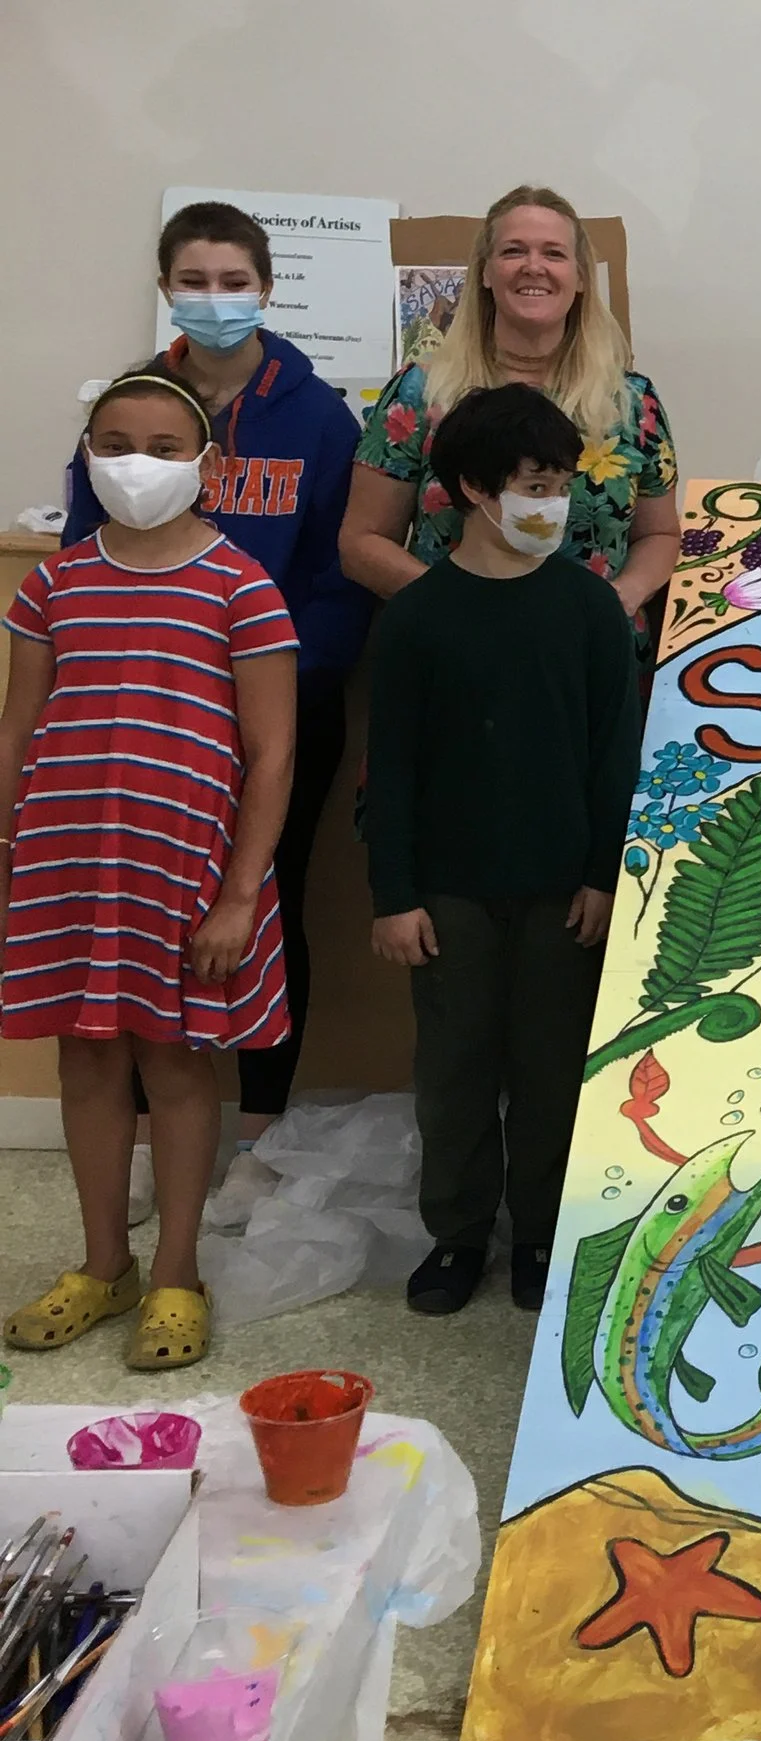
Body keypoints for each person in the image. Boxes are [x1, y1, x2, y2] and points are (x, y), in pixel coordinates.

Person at [59, 201, 366, 1211]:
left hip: (278, 712)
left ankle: (259, 1131)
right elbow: (78, 550)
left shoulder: (318, 417)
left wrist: (273, 676)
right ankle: (149, 1141)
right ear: (165, 286)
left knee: (263, 899)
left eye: (236, 281)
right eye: (197, 279)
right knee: (142, 911)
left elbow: (337, 574)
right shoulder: (128, 407)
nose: (216, 298)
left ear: (267, 289)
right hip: (143, 719)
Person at [0, 373, 297, 1372]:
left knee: (174, 1061)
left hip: (187, 875)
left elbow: (273, 756)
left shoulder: (240, 586)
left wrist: (241, 893)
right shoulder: (56, 583)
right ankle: (100, 1264)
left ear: (207, 466)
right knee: (85, 1060)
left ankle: (176, 1273)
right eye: (117, 441)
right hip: (64, 863)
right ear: (87, 454)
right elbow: (18, 727)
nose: (140, 462)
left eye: (166, 446)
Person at [364, 385, 639, 1317]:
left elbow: (615, 759)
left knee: (556, 1072)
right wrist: (393, 895)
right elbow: (390, 772)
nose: (552, 502)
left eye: (561, 482)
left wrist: (606, 875)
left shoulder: (592, 612)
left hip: (565, 891)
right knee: (455, 1071)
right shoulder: (417, 620)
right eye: (535, 482)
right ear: (476, 490)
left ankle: (540, 1234)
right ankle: (457, 1235)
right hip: (448, 894)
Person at [341, 186, 678, 623]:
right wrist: (466, 611)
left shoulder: (632, 403)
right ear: (484, 273)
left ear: (580, 279)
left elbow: (661, 533)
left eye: (553, 254)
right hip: (456, 652)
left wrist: (619, 599)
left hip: (590, 659)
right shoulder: (419, 393)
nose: (533, 267)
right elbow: (361, 542)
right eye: (514, 251)